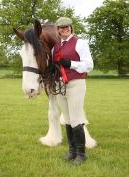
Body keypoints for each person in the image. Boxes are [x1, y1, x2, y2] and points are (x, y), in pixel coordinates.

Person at [52, 17, 94, 165]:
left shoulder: (80, 43)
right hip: (60, 86)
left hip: (76, 83)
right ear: (57, 30)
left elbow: (89, 65)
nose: (65, 29)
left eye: (67, 27)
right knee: (68, 119)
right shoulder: (55, 47)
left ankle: (81, 154)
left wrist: (71, 64)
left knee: (76, 119)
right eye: (62, 27)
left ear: (71, 28)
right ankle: (72, 151)